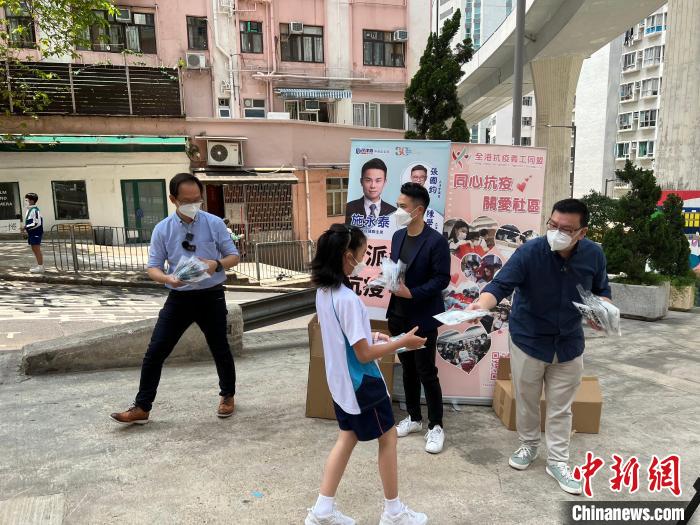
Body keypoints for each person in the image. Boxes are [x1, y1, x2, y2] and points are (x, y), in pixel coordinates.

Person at [467, 198, 612, 496]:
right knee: (527, 399)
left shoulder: (594, 254)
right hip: (529, 340)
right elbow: (500, 286)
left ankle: (558, 461)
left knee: (561, 407)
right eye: (552, 225)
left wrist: (602, 311)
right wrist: (481, 304)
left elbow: (601, 290)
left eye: (566, 229)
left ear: (582, 232)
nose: (556, 232)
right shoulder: (530, 251)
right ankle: (529, 445)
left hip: (569, 342)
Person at [306, 223, 428, 525]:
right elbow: (362, 354)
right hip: (362, 384)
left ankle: (322, 510)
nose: (363, 259)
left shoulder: (325, 291)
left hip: (341, 383)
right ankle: (393, 512)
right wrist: (401, 342)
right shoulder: (347, 299)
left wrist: (371, 334)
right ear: (347, 256)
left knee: (347, 438)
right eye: (361, 253)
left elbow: (344, 334)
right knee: (388, 439)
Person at [110, 173, 240, 425]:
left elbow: (233, 256)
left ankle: (227, 396)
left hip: (211, 295)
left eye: (197, 199)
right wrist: (168, 278)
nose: (193, 204)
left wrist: (215, 264)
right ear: (173, 199)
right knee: (155, 351)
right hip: (179, 298)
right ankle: (142, 407)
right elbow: (153, 267)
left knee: (220, 348)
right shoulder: (163, 229)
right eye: (187, 201)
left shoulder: (214, 223)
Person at [387, 183, 451, 454]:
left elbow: (441, 279)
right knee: (407, 369)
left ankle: (436, 425)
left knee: (426, 371)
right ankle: (414, 418)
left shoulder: (436, 241)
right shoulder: (398, 236)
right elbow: (396, 270)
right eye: (398, 205)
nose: (398, 211)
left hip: (422, 316)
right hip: (397, 315)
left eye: (402, 207)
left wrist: (412, 293)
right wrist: (386, 279)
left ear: (419, 210)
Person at [345, 158, 397, 226]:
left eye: (378, 181)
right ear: (361, 182)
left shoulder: (394, 212)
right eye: (368, 180)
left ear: (384, 182)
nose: (373, 186)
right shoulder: (348, 208)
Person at [21, 193, 44, 273]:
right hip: (32, 233)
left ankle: (40, 267)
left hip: (36, 233)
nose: (25, 201)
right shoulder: (29, 210)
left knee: (36, 250)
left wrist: (25, 227)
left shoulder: (35, 210)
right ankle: (40, 266)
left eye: (26, 200)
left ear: (32, 201)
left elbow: (37, 223)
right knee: (34, 249)